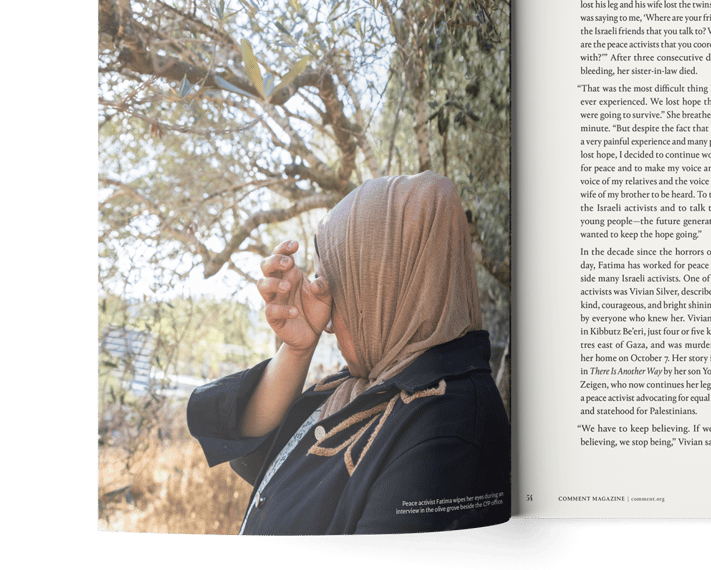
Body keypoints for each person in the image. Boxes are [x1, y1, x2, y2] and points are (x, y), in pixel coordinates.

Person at [187, 172, 510, 535]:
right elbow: (256, 447)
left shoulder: (448, 433)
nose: (326, 322)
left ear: (382, 287)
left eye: (336, 288)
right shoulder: (370, 381)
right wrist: (296, 350)